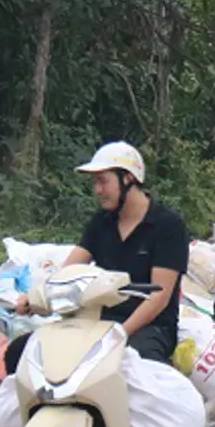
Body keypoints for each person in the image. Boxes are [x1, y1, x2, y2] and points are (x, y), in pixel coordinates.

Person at [15, 142, 189, 364]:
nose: (97, 190)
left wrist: (119, 335)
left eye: (103, 181)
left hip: (149, 325)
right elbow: (67, 272)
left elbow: (159, 296)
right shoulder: (101, 223)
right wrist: (36, 297)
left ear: (127, 178)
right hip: (97, 320)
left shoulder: (168, 225)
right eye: (95, 182)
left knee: (139, 363)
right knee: (21, 353)